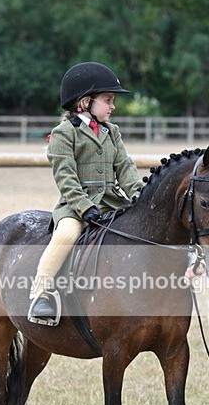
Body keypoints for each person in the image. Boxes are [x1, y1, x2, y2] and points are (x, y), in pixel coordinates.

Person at [28, 61, 144, 323]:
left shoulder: (112, 132)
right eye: (108, 100)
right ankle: (42, 293)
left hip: (112, 203)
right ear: (85, 102)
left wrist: (139, 195)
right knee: (67, 234)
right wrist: (84, 207)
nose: (113, 106)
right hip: (76, 206)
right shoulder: (63, 134)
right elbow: (65, 177)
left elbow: (125, 168)